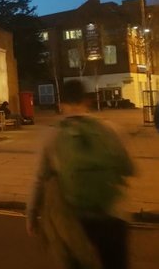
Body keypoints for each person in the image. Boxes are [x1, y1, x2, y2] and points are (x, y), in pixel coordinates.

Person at [26, 79, 134, 269]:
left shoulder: (53, 135)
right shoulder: (110, 129)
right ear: (87, 101)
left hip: (75, 220)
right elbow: (128, 168)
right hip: (113, 216)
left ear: (61, 104)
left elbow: (40, 179)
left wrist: (32, 214)